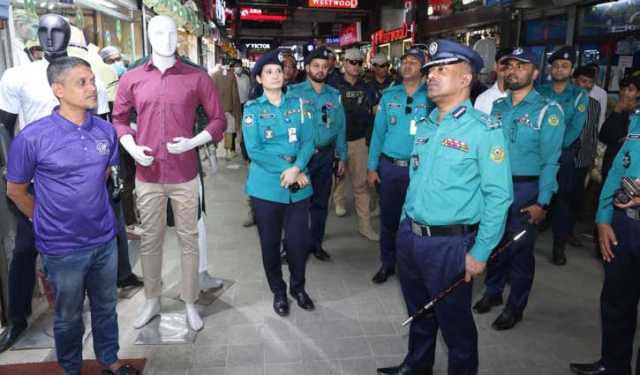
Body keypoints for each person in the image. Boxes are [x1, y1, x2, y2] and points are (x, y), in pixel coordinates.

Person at [377, 39, 513, 375]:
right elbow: (416, 180)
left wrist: (481, 251)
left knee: (456, 326)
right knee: (420, 311)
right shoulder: (426, 126)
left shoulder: (484, 130)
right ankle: (417, 365)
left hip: (449, 245)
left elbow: (499, 196)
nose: (432, 76)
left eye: (441, 69)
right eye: (430, 70)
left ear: (466, 78)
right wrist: (405, 228)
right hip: (411, 237)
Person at [6, 56, 139, 375]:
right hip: (62, 248)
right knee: (68, 316)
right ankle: (70, 368)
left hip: (104, 239)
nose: (92, 87)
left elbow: (103, 175)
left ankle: (109, 360)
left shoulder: (106, 132)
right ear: (58, 89)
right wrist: (45, 221)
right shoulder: (32, 138)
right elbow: (16, 190)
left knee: (107, 308)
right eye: (82, 82)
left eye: (92, 80)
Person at [0, 14, 112, 353]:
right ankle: (18, 318)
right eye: (44, 31)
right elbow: (4, 124)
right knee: (24, 251)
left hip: (82, 174)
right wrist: (13, 168)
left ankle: (100, 326)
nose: (51, 37)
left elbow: (102, 125)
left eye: (58, 31)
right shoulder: (18, 75)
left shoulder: (87, 75)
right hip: (34, 173)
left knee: (100, 246)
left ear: (70, 36)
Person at [112, 15, 226, 331]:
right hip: (147, 175)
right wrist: (133, 149)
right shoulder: (132, 78)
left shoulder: (197, 77)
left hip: (185, 174)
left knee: (189, 239)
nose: (166, 37)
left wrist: (192, 141)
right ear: (148, 35)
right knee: (151, 240)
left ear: (179, 36)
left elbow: (218, 121)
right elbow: (119, 119)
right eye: (159, 32)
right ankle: (152, 299)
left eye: (172, 32)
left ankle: (190, 301)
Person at [473, 48, 564, 331]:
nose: (513, 70)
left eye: (521, 66)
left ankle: (516, 306)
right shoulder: (499, 107)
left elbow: (551, 161)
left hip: (527, 190)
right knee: (495, 243)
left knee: (520, 251)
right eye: (509, 65)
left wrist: (543, 202)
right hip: (495, 188)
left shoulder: (548, 110)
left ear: (536, 73)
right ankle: (493, 291)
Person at [242, 50, 316, 316]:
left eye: (278, 70)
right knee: (270, 244)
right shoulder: (253, 110)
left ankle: (298, 287)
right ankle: (278, 291)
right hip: (266, 188)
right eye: (268, 72)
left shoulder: (300, 104)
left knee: (298, 243)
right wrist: (289, 169)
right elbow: (254, 150)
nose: (275, 75)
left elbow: (309, 141)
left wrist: (297, 167)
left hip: (299, 186)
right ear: (259, 79)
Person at [568, 110, 640, 375]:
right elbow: (617, 169)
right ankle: (614, 365)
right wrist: (603, 218)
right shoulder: (637, 119)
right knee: (616, 301)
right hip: (624, 225)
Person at [367, 46, 432, 284]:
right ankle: (387, 263)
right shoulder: (389, 96)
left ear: (424, 68)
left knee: (418, 220)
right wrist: (372, 167)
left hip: (420, 169)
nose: (407, 65)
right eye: (405, 61)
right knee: (389, 220)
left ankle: (412, 265)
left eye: (414, 62)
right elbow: (378, 134)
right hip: (390, 167)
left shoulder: (432, 97)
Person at [287, 47, 347, 261]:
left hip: (325, 155)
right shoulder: (294, 93)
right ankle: (293, 247)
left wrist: (342, 156)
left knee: (321, 202)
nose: (321, 70)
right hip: (301, 158)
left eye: (324, 67)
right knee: (296, 203)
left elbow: (340, 127)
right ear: (307, 68)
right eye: (316, 66)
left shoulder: (334, 95)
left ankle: (316, 244)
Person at [538, 46, 589, 265]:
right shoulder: (540, 91)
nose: (559, 69)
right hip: (538, 154)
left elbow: (576, 127)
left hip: (564, 154)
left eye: (565, 66)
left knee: (563, 202)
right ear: (551, 68)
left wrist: (555, 150)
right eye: (556, 65)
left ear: (571, 70)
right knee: (536, 197)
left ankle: (559, 246)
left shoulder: (579, 95)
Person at [332, 48, 379, 241]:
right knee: (329, 187)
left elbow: (376, 111)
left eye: (359, 62)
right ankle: (315, 235)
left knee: (361, 187)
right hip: (336, 143)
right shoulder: (332, 86)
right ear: (344, 62)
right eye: (352, 61)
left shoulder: (367, 88)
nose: (356, 65)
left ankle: (365, 226)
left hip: (359, 142)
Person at [568, 66, 602, 247]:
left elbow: (593, 132)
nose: (587, 85)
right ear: (574, 80)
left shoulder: (594, 105)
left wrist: (592, 159)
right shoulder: (566, 101)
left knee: (575, 197)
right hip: (563, 157)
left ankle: (569, 231)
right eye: (583, 81)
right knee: (559, 194)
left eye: (590, 82)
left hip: (583, 159)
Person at [600, 76, 640, 184]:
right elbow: (603, 136)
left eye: (630, 90)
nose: (625, 93)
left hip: (632, 167)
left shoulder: (637, 114)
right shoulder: (618, 110)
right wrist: (617, 111)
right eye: (622, 89)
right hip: (611, 163)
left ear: (638, 93)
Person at [473, 47, 511, 115]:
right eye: (504, 63)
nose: (508, 67)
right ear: (495, 66)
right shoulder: (483, 99)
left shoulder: (527, 98)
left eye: (511, 65)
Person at [586, 63, 609, 131]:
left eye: (596, 72)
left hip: (591, 128)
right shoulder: (577, 88)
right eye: (591, 71)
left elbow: (602, 114)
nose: (593, 74)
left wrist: (599, 131)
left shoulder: (602, 93)